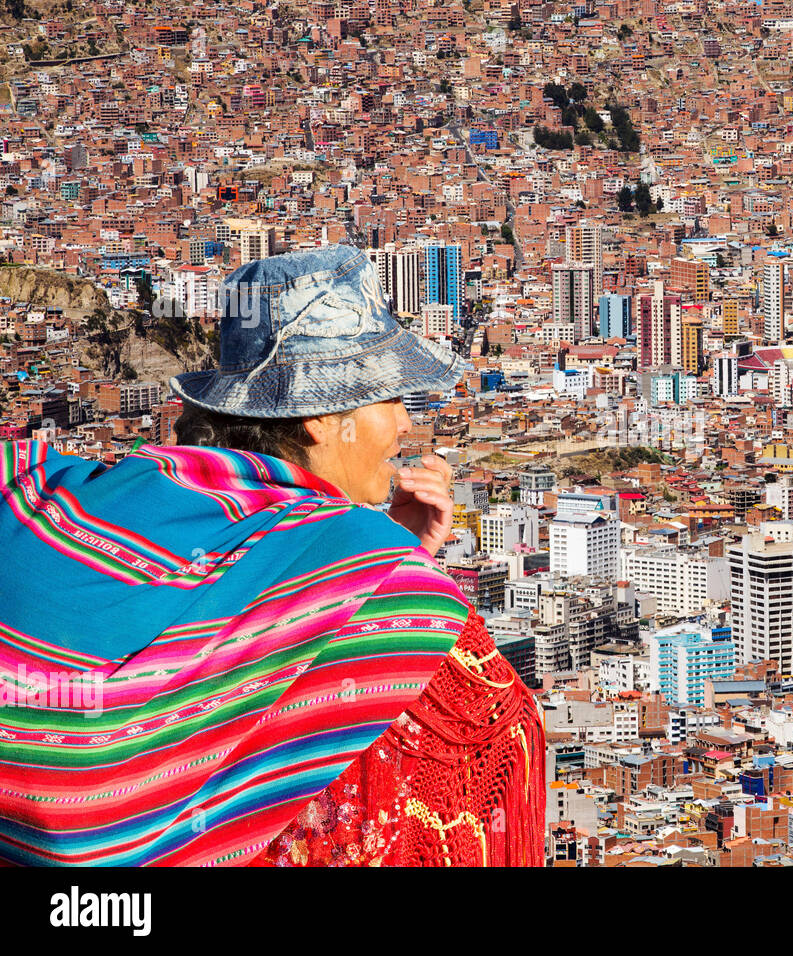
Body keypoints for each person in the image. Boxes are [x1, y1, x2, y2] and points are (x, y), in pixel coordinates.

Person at [0, 245, 543, 866]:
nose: (403, 425)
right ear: (322, 419)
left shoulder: (70, 496)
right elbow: (497, 741)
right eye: (390, 399)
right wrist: (397, 570)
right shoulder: (376, 575)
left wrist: (387, 548)